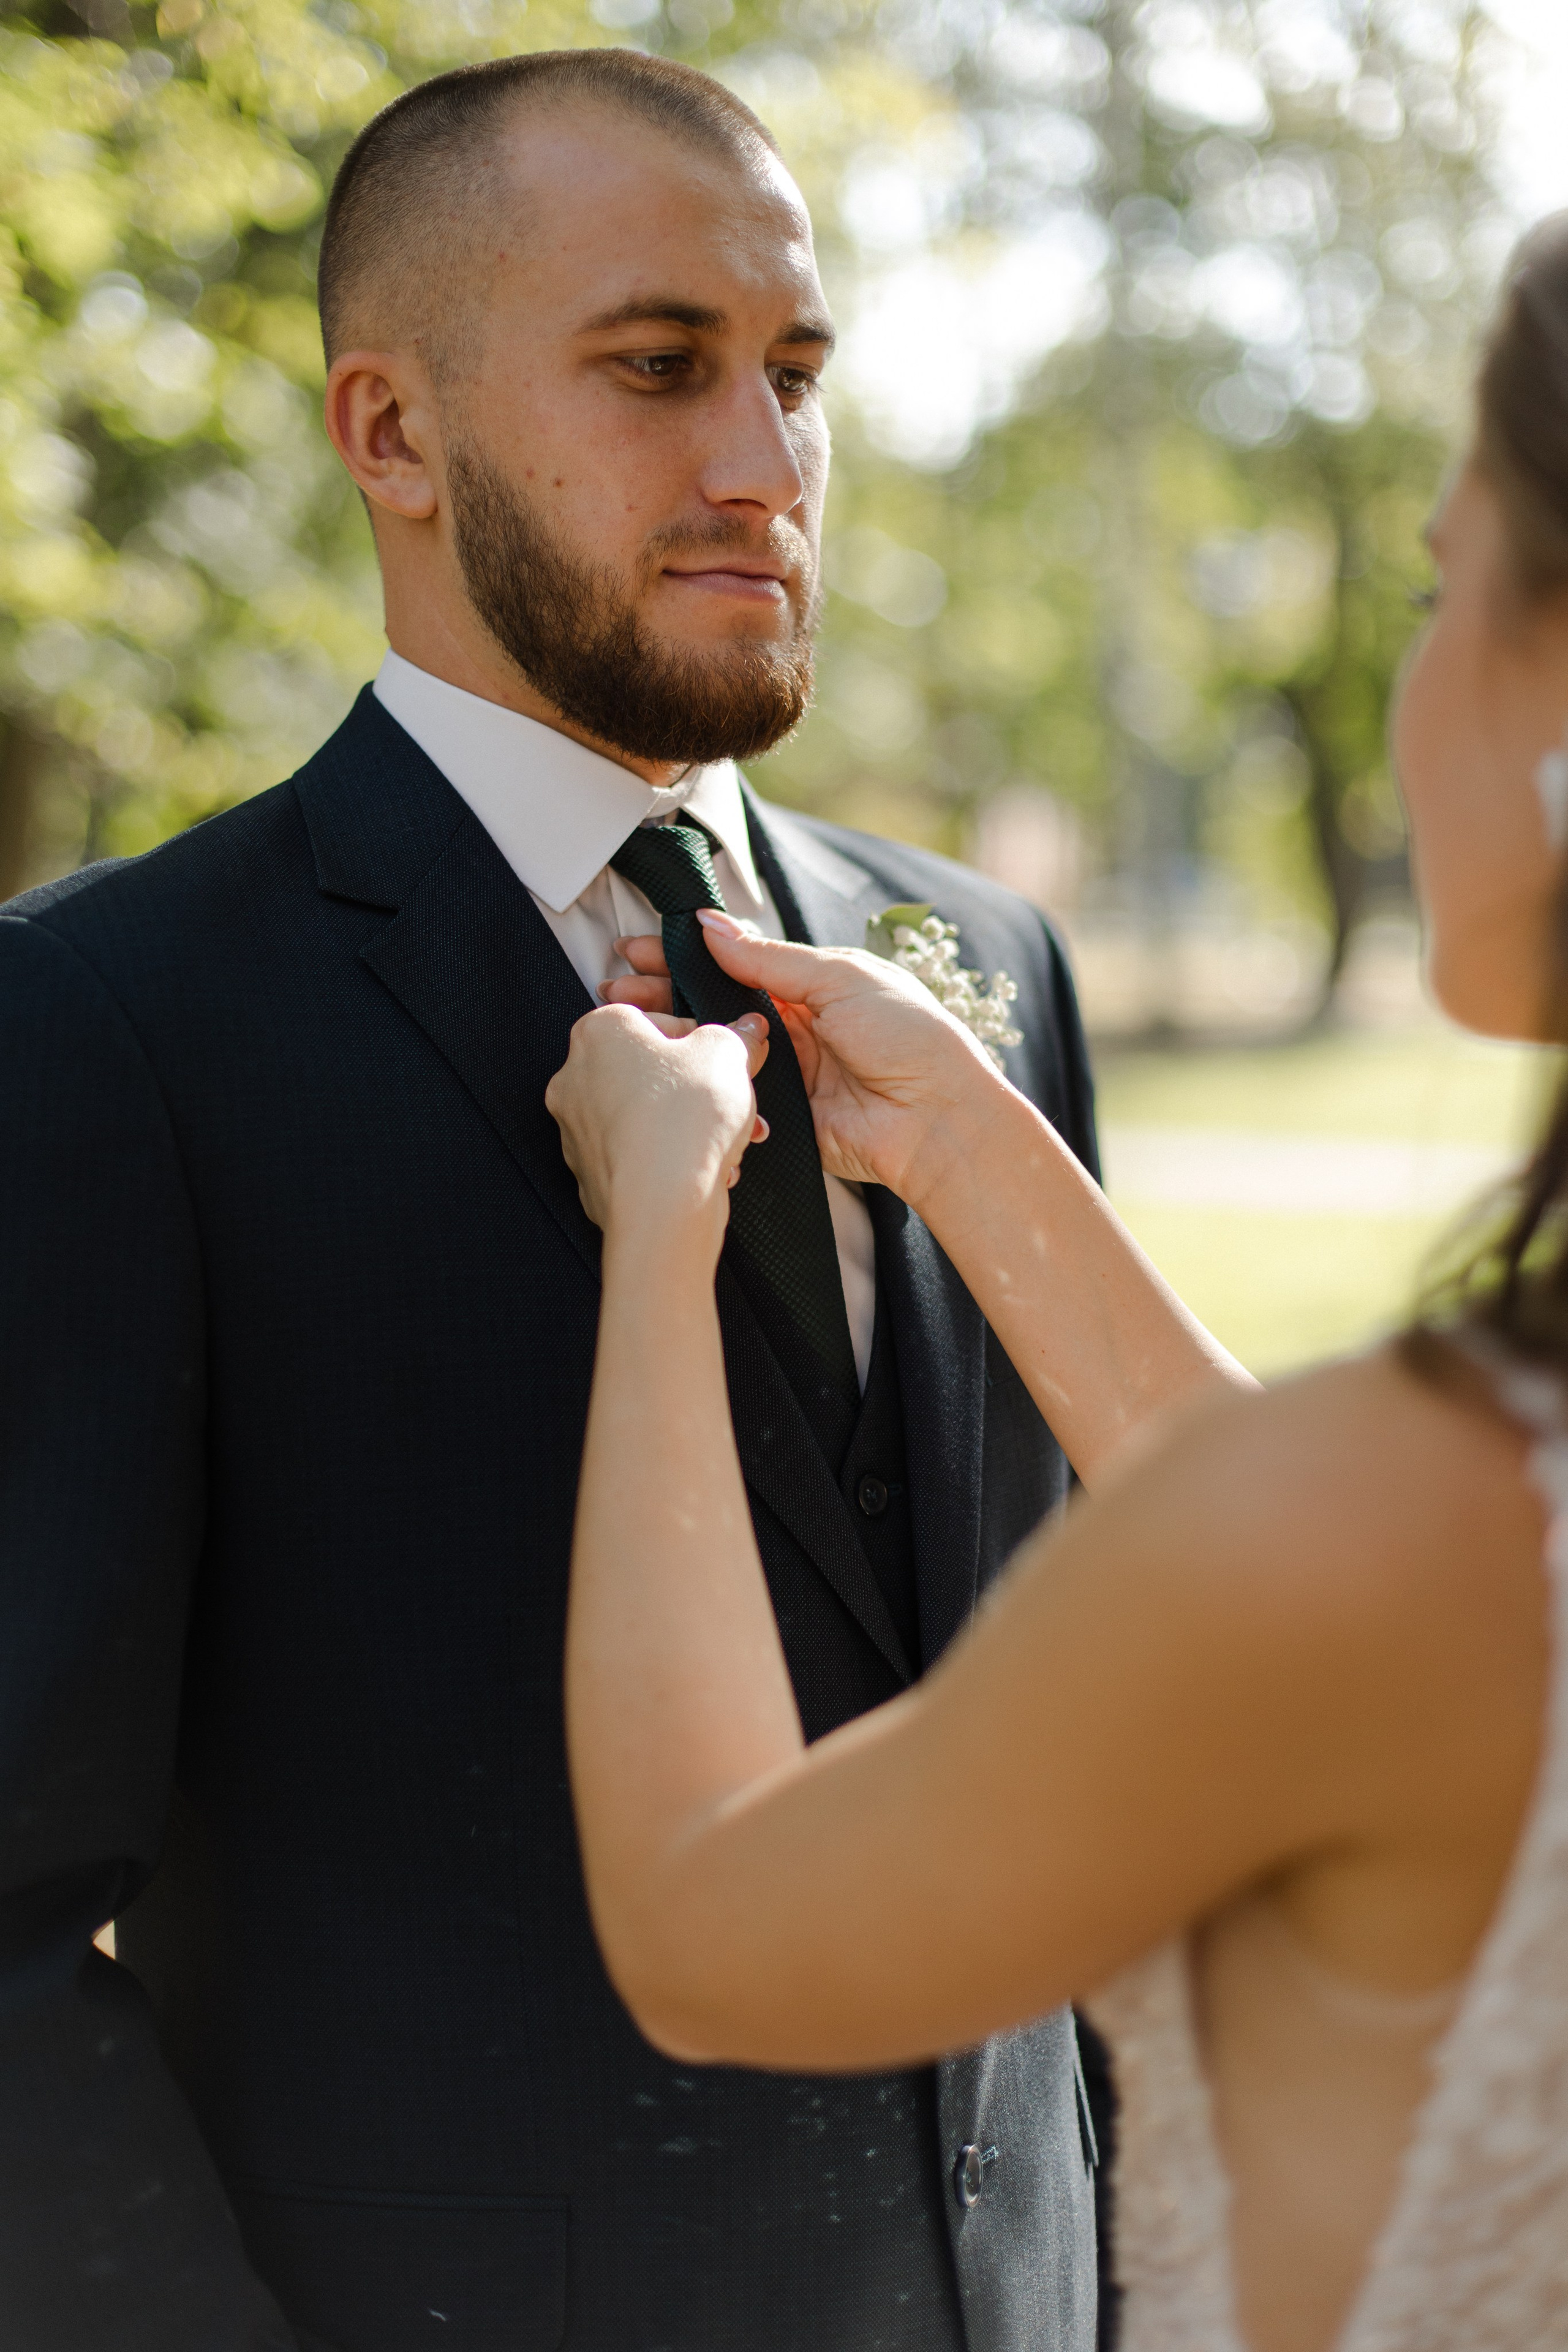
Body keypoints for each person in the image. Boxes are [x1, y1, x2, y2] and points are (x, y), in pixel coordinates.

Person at [0, 49, 1115, 2352]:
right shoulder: (105, 1027)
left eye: (796, 375)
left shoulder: (981, 969)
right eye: (657, 367)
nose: (762, 467)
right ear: (389, 435)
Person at [546, 215, 1568, 2352]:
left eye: (1438, 579)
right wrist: (975, 1142)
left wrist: (658, 1237)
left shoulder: (1398, 1513)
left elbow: (712, 1914)